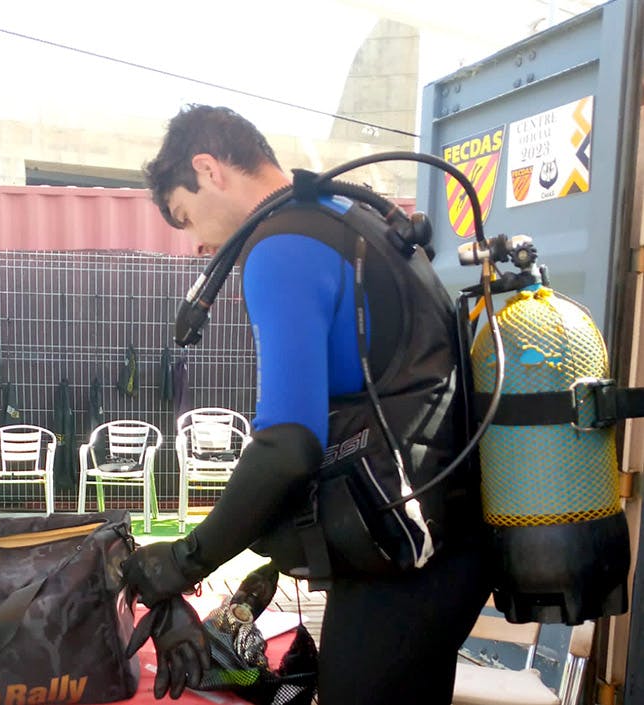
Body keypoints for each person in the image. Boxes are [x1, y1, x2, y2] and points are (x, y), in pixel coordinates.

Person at [120, 105, 492, 704]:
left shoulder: (283, 246)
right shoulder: (350, 216)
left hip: (403, 567)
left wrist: (186, 559)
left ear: (209, 168)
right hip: (447, 538)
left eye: (186, 218)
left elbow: (288, 446)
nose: (199, 245)